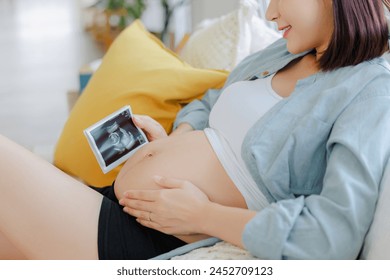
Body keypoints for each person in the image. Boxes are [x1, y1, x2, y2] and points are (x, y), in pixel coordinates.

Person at [1, 0, 390, 260]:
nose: (270, 13)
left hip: (153, 240)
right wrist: (178, 138)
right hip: (125, 206)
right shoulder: (286, 52)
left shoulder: (371, 91)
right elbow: (210, 100)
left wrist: (203, 214)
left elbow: (332, 233)